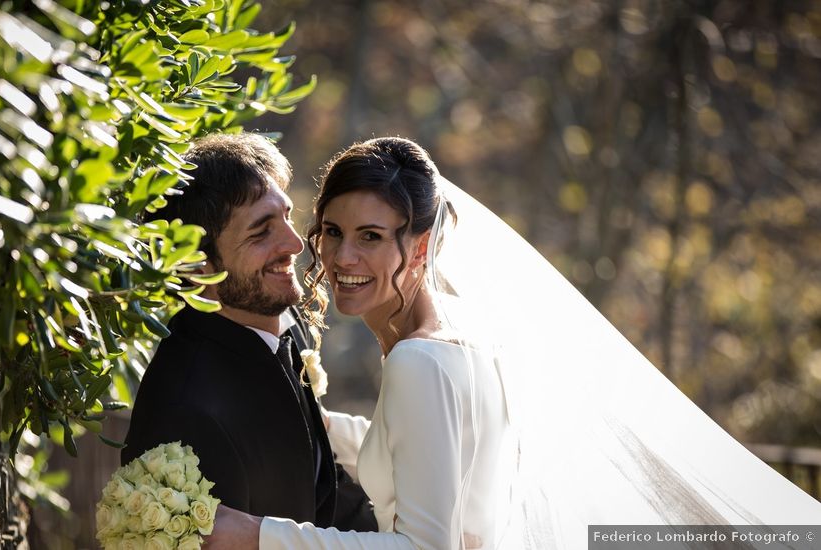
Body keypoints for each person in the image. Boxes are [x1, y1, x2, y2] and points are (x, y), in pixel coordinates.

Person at [205, 136, 821, 550]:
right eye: (333, 231)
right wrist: (315, 418)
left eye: (370, 236)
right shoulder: (460, 334)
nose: (343, 257)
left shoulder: (419, 361)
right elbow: (440, 456)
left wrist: (256, 533)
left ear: (418, 247)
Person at [120, 132, 378, 533]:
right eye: (261, 232)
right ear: (195, 266)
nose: (294, 244)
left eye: (287, 217)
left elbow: (324, 494)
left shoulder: (285, 332)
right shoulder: (186, 409)